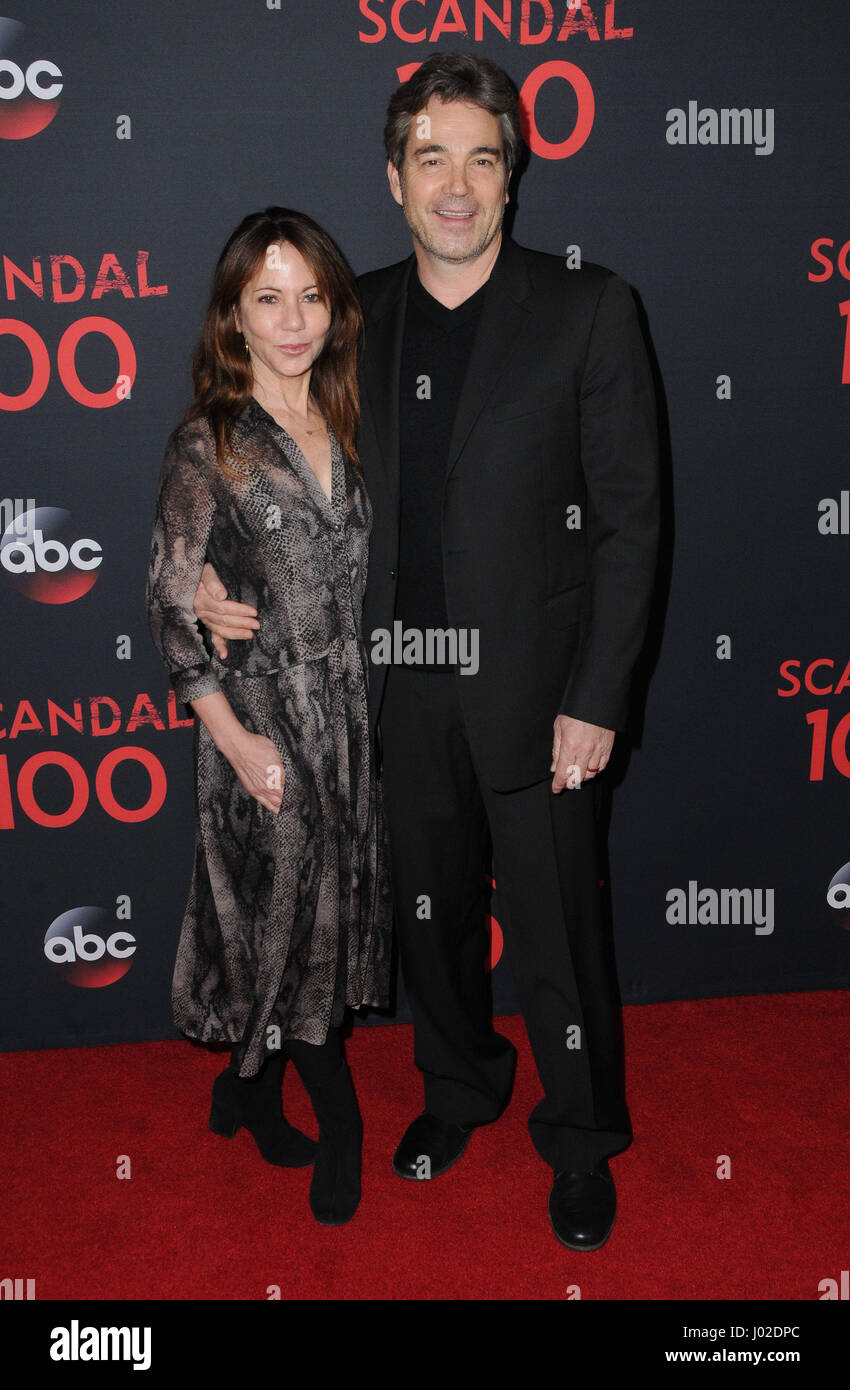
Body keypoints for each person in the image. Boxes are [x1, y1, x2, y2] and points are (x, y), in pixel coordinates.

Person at [194, 52, 660, 1252]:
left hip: (541, 695)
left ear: (513, 176)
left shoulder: (588, 305)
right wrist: (208, 560)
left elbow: (627, 520)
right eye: (431, 159)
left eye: (482, 157)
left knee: (557, 931)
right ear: (393, 180)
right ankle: (458, 1091)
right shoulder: (357, 319)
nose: (457, 185)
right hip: (389, 691)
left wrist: (597, 695)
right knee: (429, 923)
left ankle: (581, 1135)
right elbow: (260, 443)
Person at [146, 207, 392, 1227]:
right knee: (289, 915)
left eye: (311, 296)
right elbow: (167, 598)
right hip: (257, 721)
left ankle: (242, 1087)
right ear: (232, 318)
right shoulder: (209, 444)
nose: (292, 320)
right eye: (267, 299)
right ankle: (340, 1119)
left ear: (334, 309)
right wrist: (238, 743)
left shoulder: (354, 416)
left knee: (324, 905)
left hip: (346, 713)